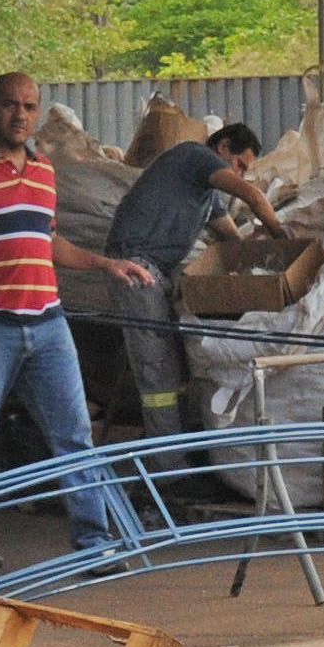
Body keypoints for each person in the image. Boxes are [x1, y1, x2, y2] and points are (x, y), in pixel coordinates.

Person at [0, 72, 140, 550]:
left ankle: (94, 542)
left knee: (75, 437)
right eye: (10, 104)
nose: (20, 114)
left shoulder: (44, 171)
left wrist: (106, 264)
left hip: (49, 324)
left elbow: (48, 241)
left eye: (30, 106)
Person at [97, 120, 283, 438]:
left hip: (157, 273)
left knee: (170, 365)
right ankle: (168, 462)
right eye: (239, 165)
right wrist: (282, 236)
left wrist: (258, 254)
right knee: (158, 374)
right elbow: (252, 196)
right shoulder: (194, 156)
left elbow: (232, 239)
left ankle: (173, 443)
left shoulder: (206, 195)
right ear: (223, 147)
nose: (238, 174)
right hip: (135, 268)